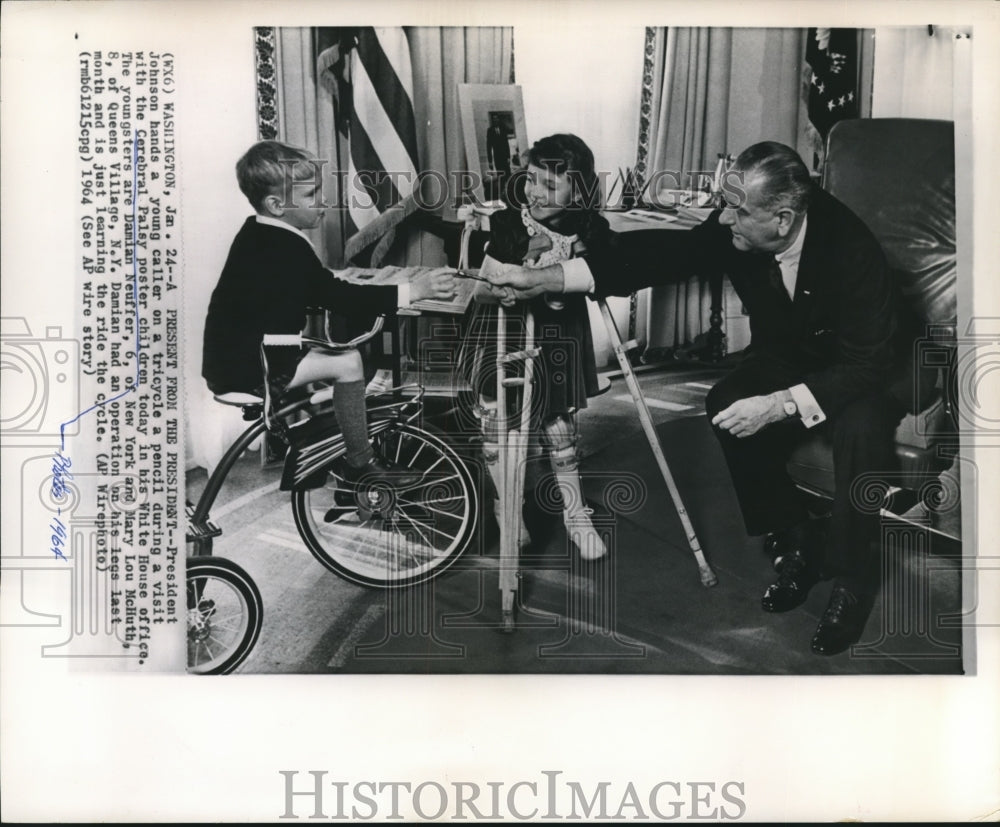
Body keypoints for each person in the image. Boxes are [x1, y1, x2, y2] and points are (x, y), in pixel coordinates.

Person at [482, 141, 905, 656]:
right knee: (727, 402)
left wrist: (777, 405)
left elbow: (868, 364)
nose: (723, 219)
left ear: (783, 219)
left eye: (737, 211)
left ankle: (852, 579)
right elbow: (662, 256)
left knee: (861, 430)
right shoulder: (738, 224)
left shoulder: (851, 248)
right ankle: (798, 535)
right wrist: (543, 277)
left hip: (859, 365)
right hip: (792, 351)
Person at [202, 140, 455, 487]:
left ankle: (326, 439)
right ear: (276, 205)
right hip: (251, 365)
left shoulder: (257, 233)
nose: (322, 201)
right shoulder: (287, 247)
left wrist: (330, 282)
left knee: (334, 361)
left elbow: (286, 288)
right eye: (311, 195)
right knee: (348, 362)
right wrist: (416, 291)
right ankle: (359, 463)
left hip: (235, 358)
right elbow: (340, 298)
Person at [467, 133, 612, 560]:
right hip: (504, 331)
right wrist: (504, 289)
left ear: (578, 190)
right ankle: (507, 510)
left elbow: (606, 266)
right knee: (499, 425)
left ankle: (574, 514)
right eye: (531, 180)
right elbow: (482, 288)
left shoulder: (588, 227)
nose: (535, 193)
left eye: (551, 186)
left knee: (558, 426)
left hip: (556, 335)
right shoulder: (509, 223)